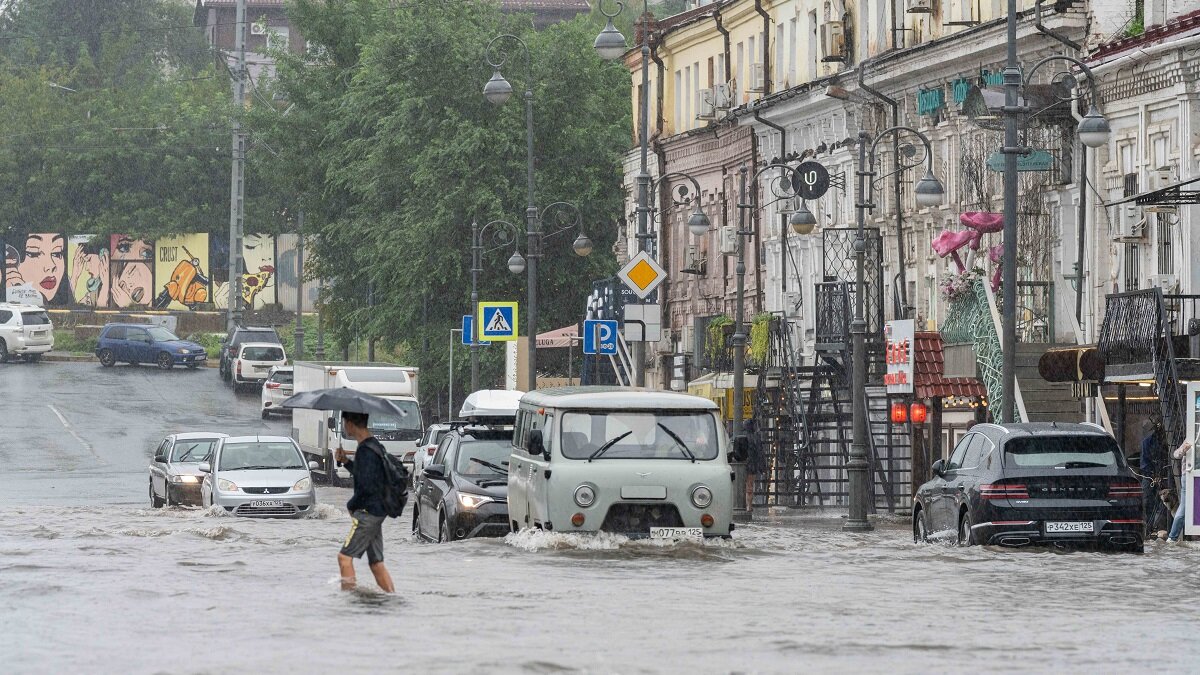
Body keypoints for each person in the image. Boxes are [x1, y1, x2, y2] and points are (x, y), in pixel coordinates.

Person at [335, 411, 395, 592]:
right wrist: (345, 461)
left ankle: (349, 605)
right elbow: (365, 476)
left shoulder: (365, 451)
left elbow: (367, 487)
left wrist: (351, 505)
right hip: (378, 511)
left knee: (344, 558)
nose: (344, 426)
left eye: (345, 422)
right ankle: (392, 597)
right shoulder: (374, 446)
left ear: (351, 423)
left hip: (368, 512)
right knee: (376, 563)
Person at [1167, 439, 1193, 543]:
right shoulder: (1192, 436)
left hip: (1191, 475)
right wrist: (1184, 449)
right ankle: (1172, 537)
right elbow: (1176, 454)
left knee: (1184, 507)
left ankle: (1172, 537)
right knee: (1184, 507)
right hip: (1189, 476)